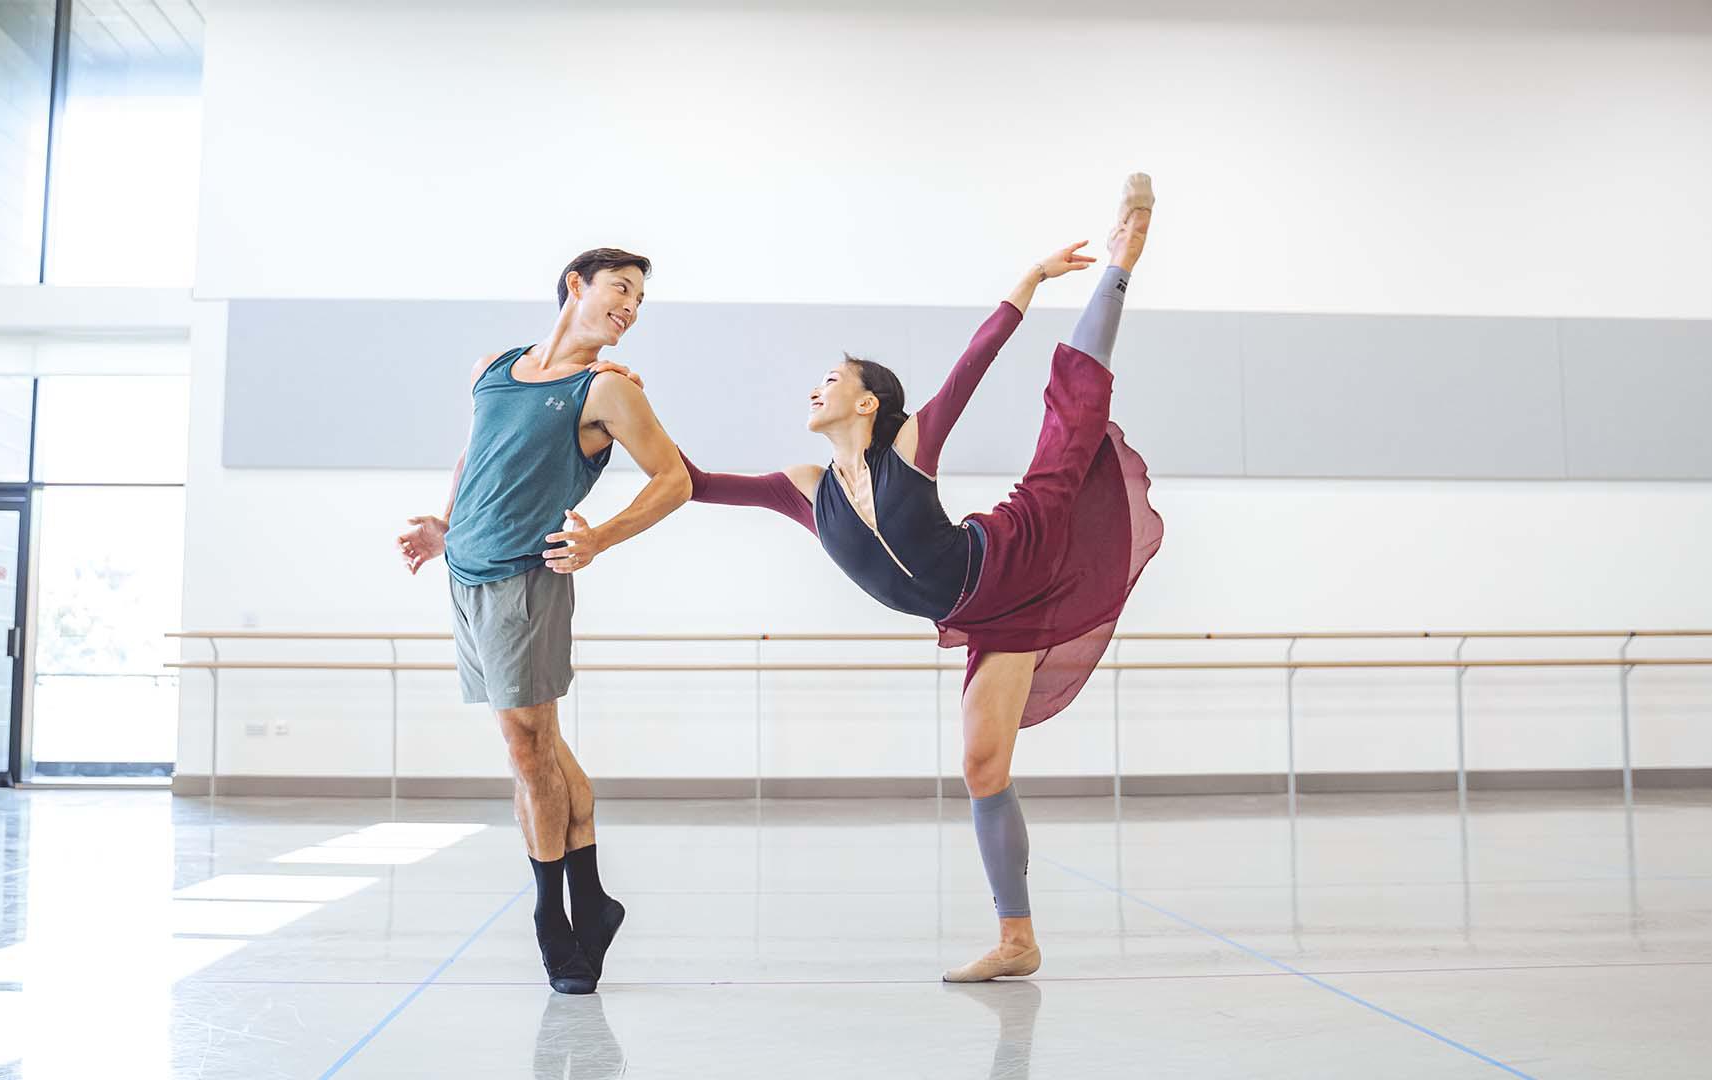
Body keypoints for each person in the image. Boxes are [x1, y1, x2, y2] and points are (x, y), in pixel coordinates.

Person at [679, 178, 1164, 982]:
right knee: (983, 768)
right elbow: (693, 482)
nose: (815, 388)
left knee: (1069, 417)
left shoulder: (908, 445)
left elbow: (976, 360)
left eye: (830, 380)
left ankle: (1123, 262)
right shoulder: (806, 489)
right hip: (990, 620)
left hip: (1012, 551)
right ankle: (1018, 940)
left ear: (868, 403)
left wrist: (1034, 280)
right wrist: (616, 420)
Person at [397, 248, 691, 994]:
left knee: (526, 750)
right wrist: (446, 527)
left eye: (638, 302)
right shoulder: (493, 367)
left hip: (528, 582)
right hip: (465, 579)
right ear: (575, 286)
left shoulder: (607, 391)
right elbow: (476, 456)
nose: (629, 308)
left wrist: (599, 538)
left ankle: (550, 917)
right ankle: (593, 902)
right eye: (620, 290)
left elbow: (675, 479)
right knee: (537, 745)